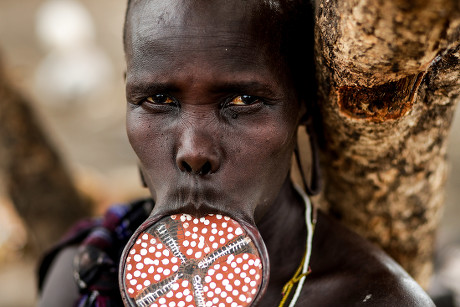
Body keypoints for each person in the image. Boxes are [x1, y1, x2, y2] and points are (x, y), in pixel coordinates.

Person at [38, 0, 435, 306]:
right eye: (158, 98)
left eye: (243, 100)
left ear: (303, 106)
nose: (193, 151)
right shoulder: (85, 272)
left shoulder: (378, 301)